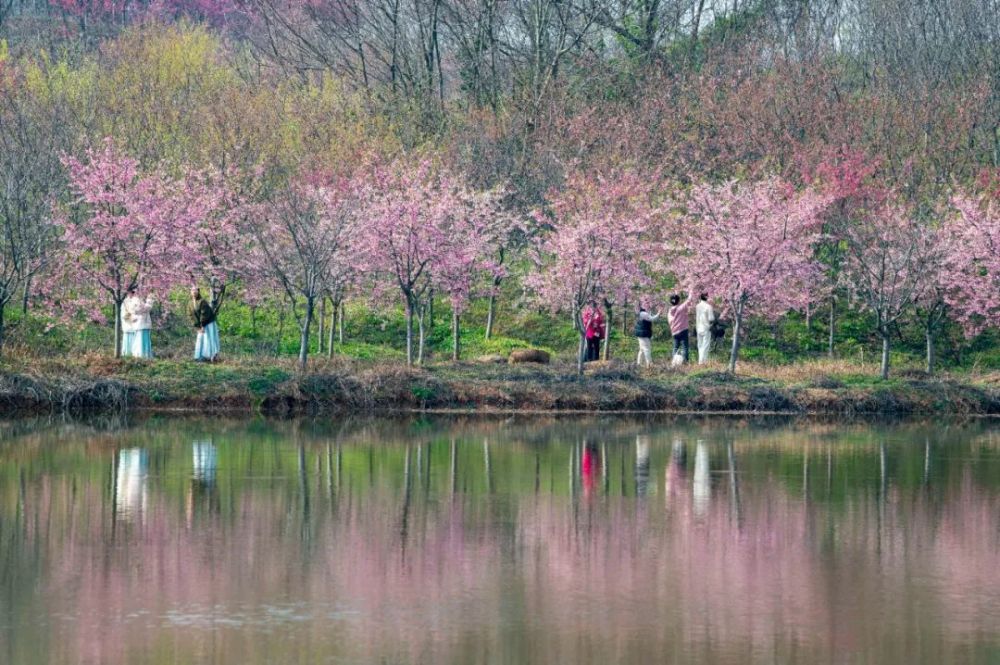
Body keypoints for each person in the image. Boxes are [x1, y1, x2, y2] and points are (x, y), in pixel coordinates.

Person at [190, 287, 220, 362]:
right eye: (192, 290)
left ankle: (212, 356)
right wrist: (197, 327)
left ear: (198, 292)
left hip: (208, 322)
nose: (194, 292)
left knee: (209, 339)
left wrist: (202, 326)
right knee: (200, 339)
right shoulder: (190, 303)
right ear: (190, 292)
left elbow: (204, 314)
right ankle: (199, 356)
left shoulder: (202, 301)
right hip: (201, 324)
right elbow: (191, 316)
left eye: (195, 290)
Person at [124, 289, 155, 359]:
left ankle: (142, 355)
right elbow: (144, 308)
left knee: (142, 339)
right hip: (141, 323)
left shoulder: (135, 300)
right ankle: (142, 355)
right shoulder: (136, 300)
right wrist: (149, 300)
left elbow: (142, 309)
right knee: (141, 340)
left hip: (141, 323)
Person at [668, 292, 693, 364]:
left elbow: (670, 321)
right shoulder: (681, 308)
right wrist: (691, 291)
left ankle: (674, 362)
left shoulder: (669, 311)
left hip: (674, 332)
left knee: (675, 347)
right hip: (683, 330)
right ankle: (685, 362)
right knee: (684, 347)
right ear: (678, 301)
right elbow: (689, 300)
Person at [695, 293, 716, 365]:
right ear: (706, 297)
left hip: (699, 327)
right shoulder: (709, 306)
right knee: (706, 345)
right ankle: (703, 362)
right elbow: (711, 318)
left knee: (700, 345)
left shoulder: (697, 306)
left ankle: (700, 361)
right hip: (706, 328)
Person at [120, 289, 136, 358]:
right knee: (127, 338)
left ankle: (134, 354)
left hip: (134, 323)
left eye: (133, 293)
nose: (132, 294)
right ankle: (126, 354)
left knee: (134, 338)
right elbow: (124, 314)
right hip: (128, 323)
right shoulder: (125, 302)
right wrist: (130, 315)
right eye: (131, 293)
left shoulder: (135, 300)